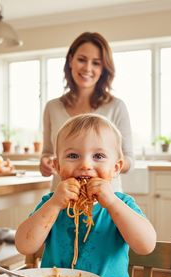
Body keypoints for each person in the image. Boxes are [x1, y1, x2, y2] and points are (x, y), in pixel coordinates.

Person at [15, 114, 156, 277]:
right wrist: (54, 204)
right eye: (73, 155)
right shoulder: (51, 204)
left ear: (115, 168)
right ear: (58, 167)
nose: (85, 164)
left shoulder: (122, 203)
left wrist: (112, 203)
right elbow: (23, 246)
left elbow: (146, 246)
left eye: (98, 156)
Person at [39, 31, 134, 192]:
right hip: (62, 198)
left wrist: (101, 165)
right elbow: (48, 152)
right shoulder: (52, 107)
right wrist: (45, 162)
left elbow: (129, 159)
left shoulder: (116, 106)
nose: (87, 68)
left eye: (96, 63)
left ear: (104, 68)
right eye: (82, 60)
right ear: (70, 60)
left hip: (105, 202)